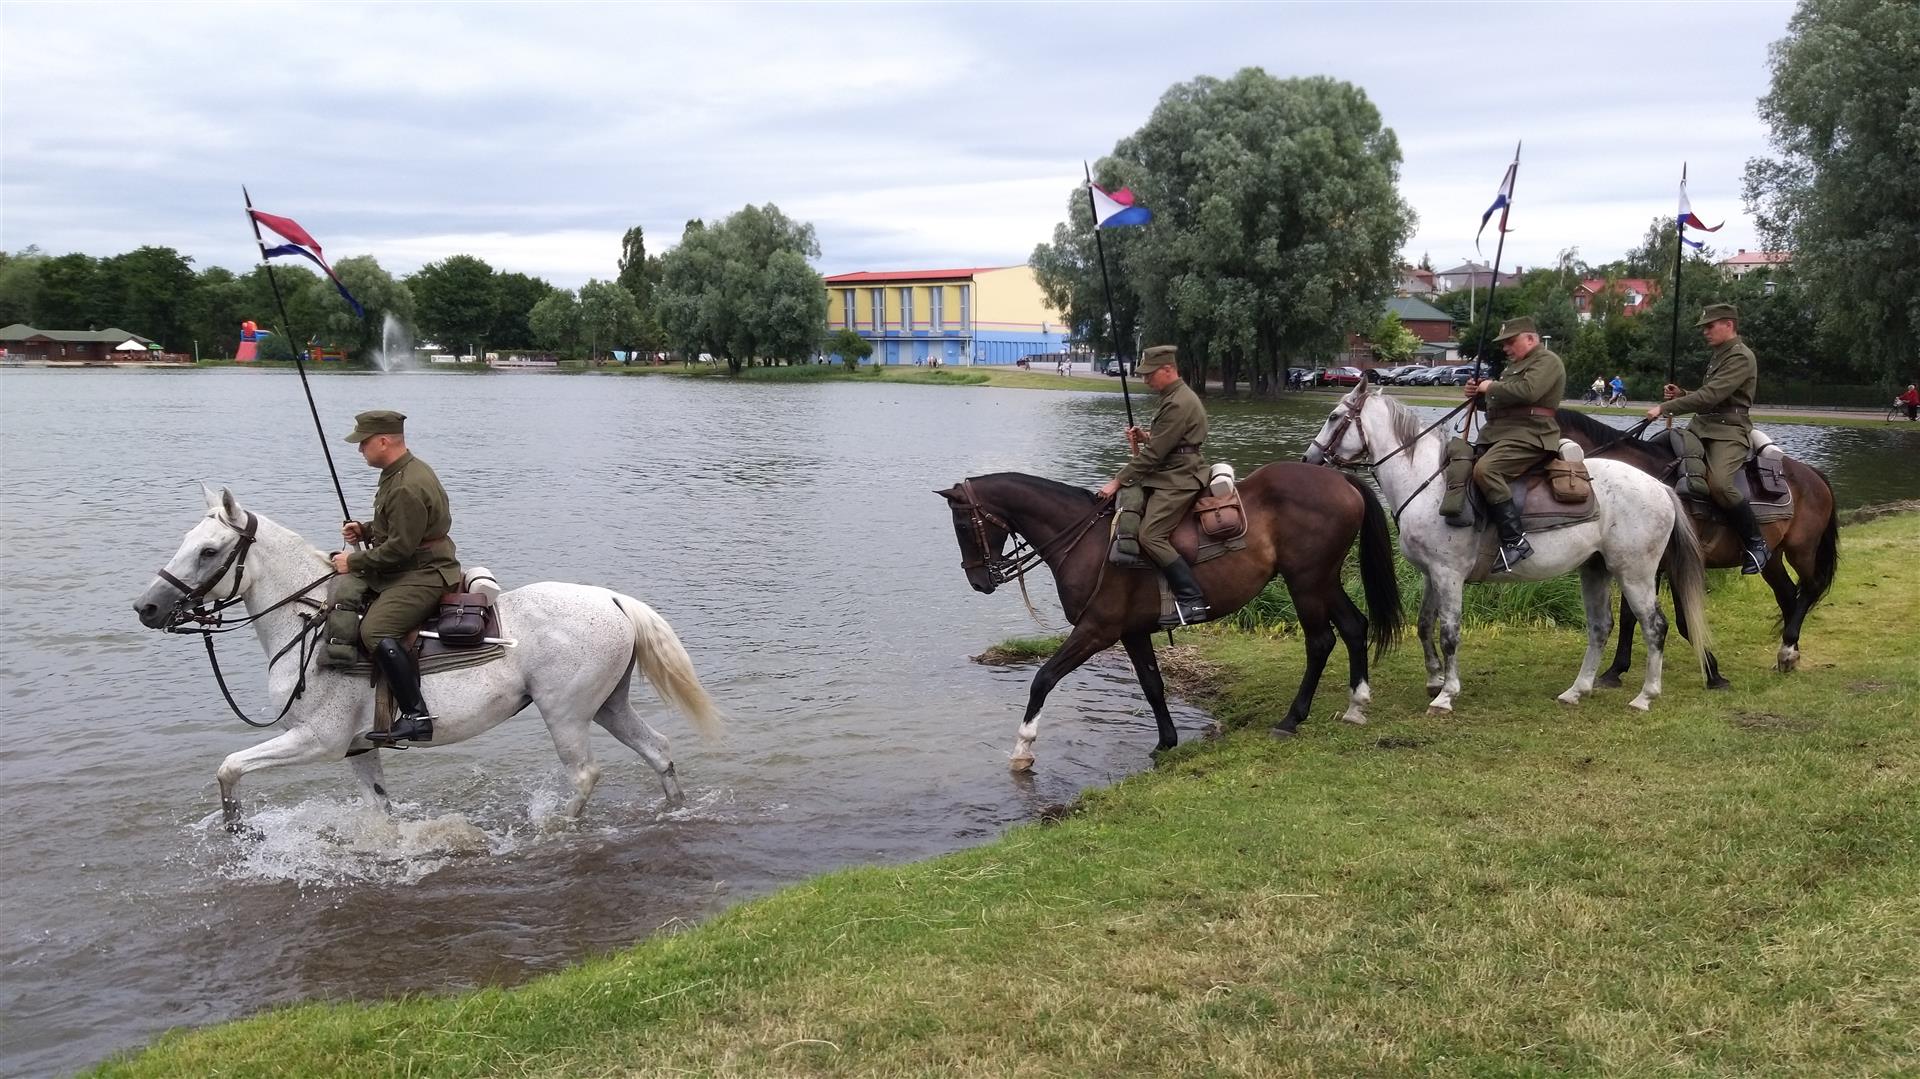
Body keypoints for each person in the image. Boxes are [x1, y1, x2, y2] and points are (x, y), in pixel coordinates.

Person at [332, 410, 462, 744]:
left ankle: (417, 715)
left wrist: (354, 562)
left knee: (375, 629)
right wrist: (366, 529)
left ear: (383, 441)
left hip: (424, 573)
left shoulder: (406, 484)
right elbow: (403, 528)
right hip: (411, 565)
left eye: (363, 443)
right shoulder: (400, 472)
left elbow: (401, 549)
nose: (360, 449)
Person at [1647, 303, 1768, 573]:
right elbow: (1712, 395)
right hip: (1701, 426)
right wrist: (1682, 394)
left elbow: (1712, 396)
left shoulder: (1740, 356)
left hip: (1727, 432)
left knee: (1721, 485)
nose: (1705, 332)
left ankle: (1756, 544)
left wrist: (1666, 408)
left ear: (1728, 324)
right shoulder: (1720, 355)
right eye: (1704, 327)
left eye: (1710, 326)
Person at [1097, 345, 1210, 625]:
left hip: (1180, 477)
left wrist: (1116, 481)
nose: (1146, 380)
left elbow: (1155, 456)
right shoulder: (1173, 396)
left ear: (1168, 370)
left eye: (1150, 374)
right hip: (1171, 469)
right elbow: (1169, 441)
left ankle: (1192, 600)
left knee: (1150, 536)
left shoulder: (1178, 402)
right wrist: (1146, 436)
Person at [1464, 316, 1566, 571]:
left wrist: (1491, 386)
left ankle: (1515, 541)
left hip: (1531, 435)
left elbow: (1529, 392)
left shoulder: (1547, 361)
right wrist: (1476, 396)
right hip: (1499, 433)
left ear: (1530, 338)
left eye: (1510, 342)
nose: (1505, 348)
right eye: (1504, 344)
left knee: (1487, 470)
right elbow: (1500, 403)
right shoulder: (1513, 368)